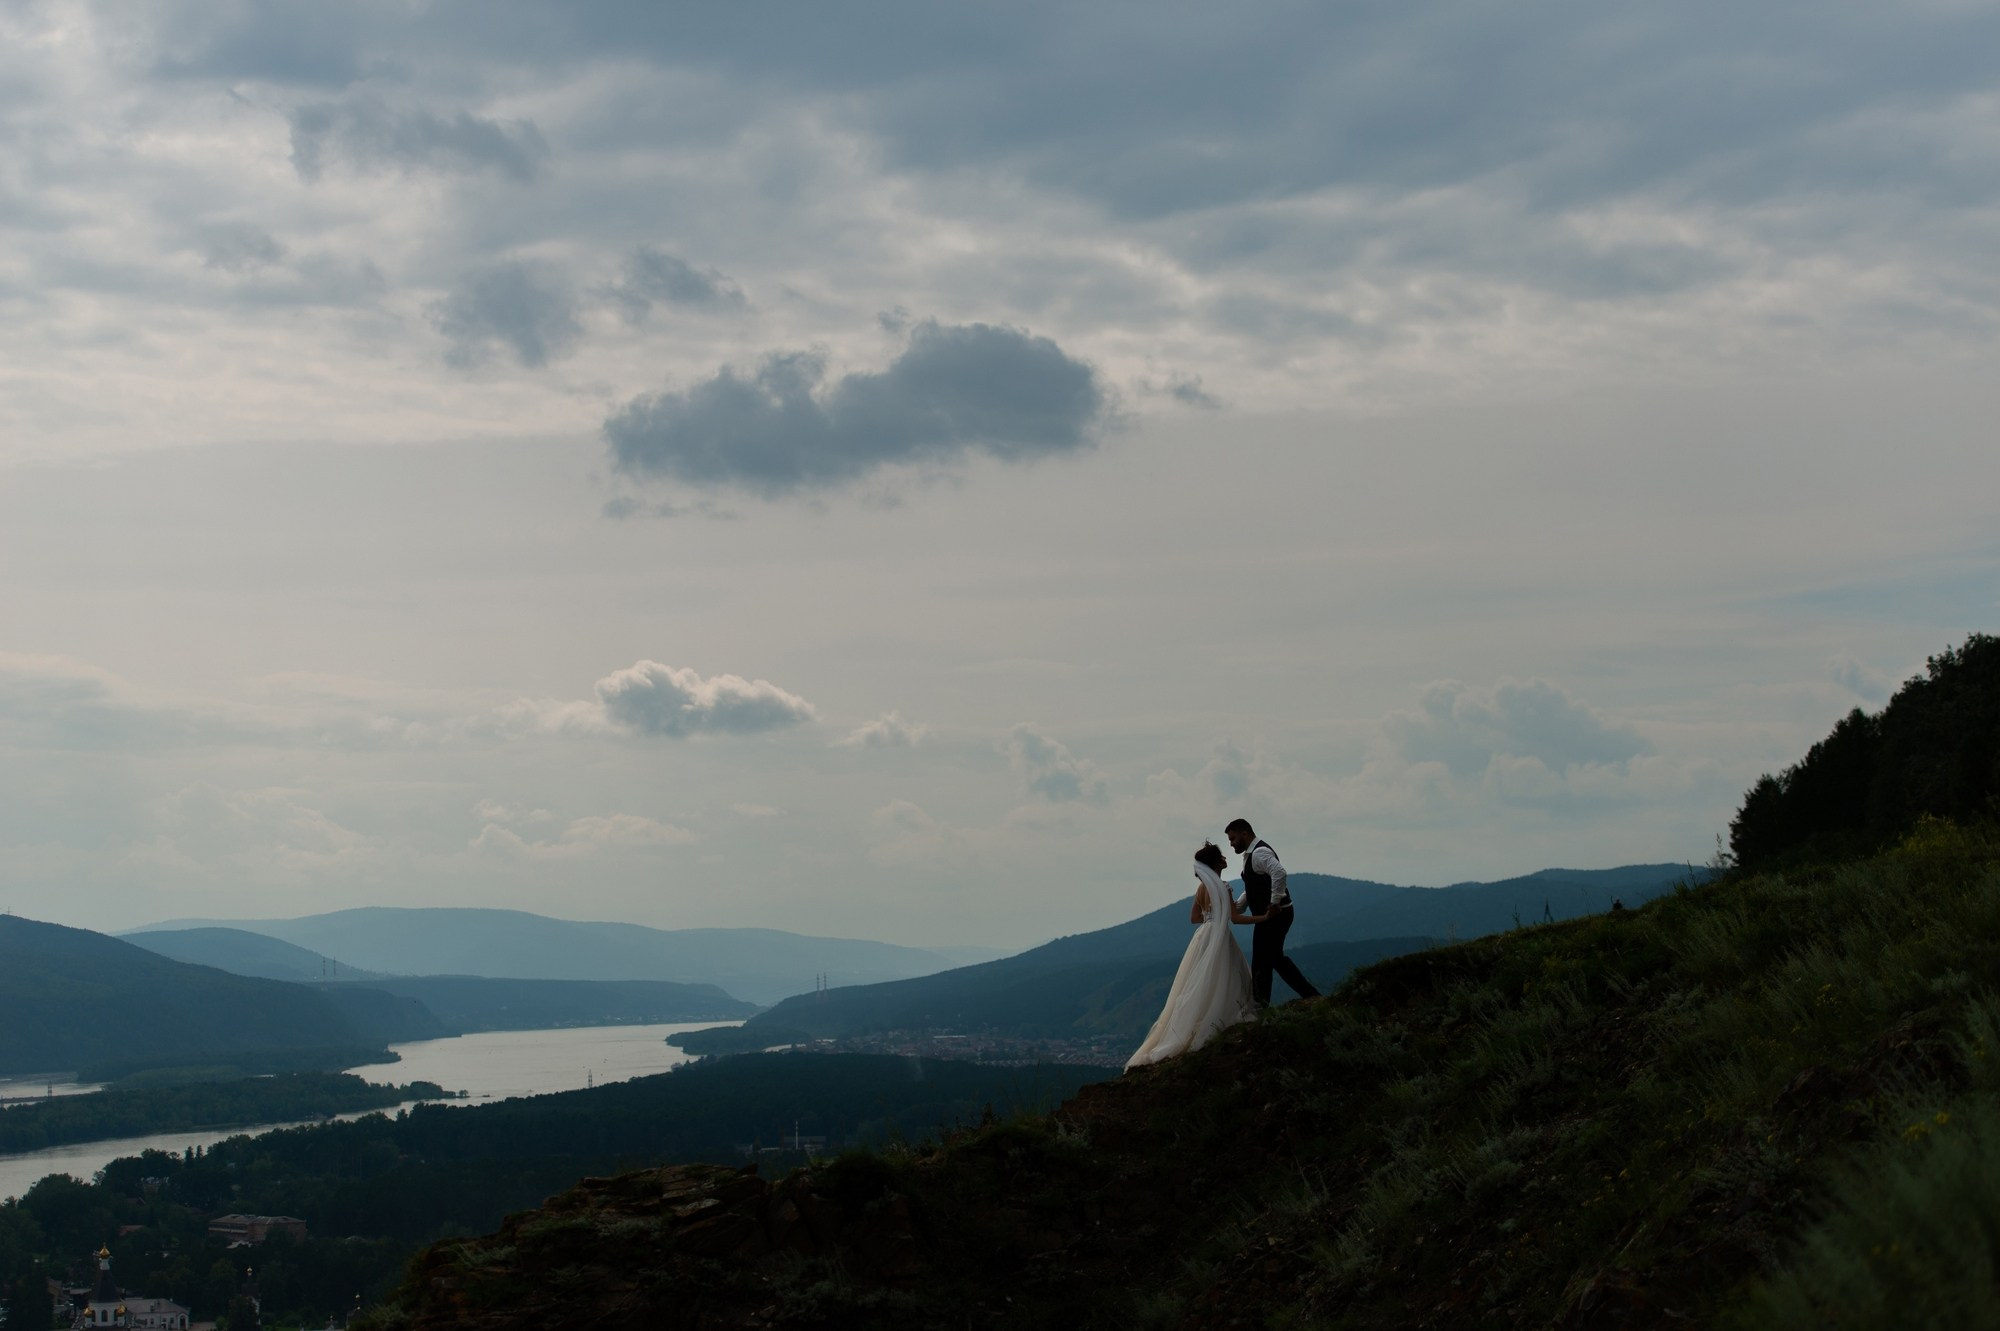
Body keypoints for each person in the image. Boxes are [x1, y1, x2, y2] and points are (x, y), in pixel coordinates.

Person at [1124, 843, 1268, 1070]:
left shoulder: (1202, 888)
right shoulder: (1223, 886)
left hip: (1203, 936)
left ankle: (1193, 1022)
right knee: (1225, 976)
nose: (1224, 857)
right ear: (1216, 862)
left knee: (1200, 980)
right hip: (1219, 936)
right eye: (1221, 856)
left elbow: (1194, 918)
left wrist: (1213, 919)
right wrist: (1264, 917)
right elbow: (1236, 918)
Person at [1226, 818, 1320, 1008]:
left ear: (1245, 833)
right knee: (1273, 959)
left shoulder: (1260, 852)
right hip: (1271, 916)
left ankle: (1262, 1005)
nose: (1231, 844)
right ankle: (1308, 995)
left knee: (1262, 961)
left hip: (1276, 915)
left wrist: (1274, 902)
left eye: (1233, 838)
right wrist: (1239, 907)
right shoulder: (1253, 854)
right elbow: (1254, 885)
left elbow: (1279, 873)